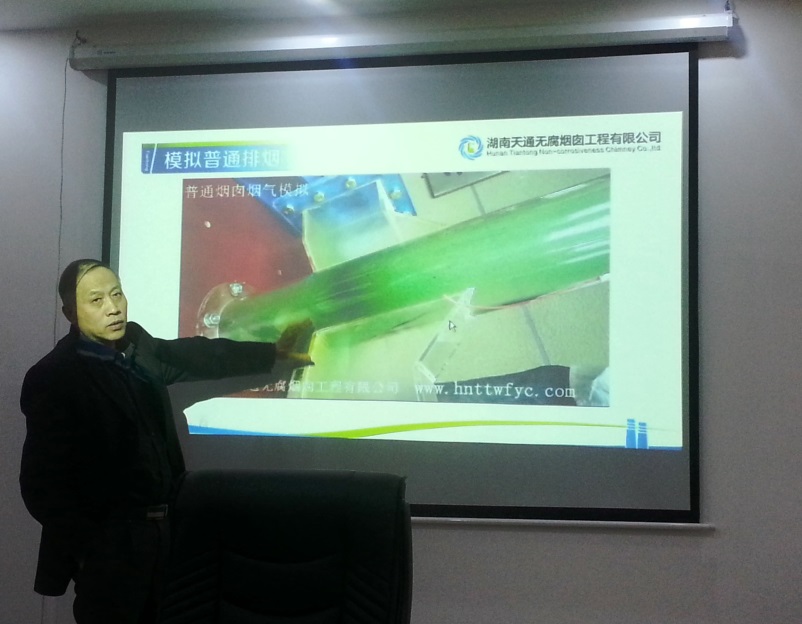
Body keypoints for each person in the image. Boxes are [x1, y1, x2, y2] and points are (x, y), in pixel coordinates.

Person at [19, 259, 313, 624]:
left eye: (117, 294)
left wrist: (272, 354)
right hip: (110, 553)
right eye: (96, 300)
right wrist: (92, 548)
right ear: (70, 313)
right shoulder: (54, 376)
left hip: (163, 539)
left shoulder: (138, 346)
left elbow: (199, 355)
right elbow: (40, 486)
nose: (113, 308)